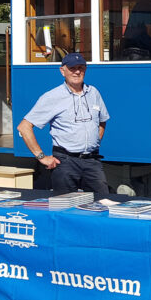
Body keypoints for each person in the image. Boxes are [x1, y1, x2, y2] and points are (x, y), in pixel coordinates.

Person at [17, 52, 110, 195]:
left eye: (81, 68)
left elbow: (102, 121)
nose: (77, 71)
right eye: (72, 68)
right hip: (65, 163)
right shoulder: (52, 96)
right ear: (62, 71)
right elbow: (24, 127)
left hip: (92, 162)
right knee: (66, 207)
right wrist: (41, 157)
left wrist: (94, 143)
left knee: (103, 203)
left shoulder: (94, 93)